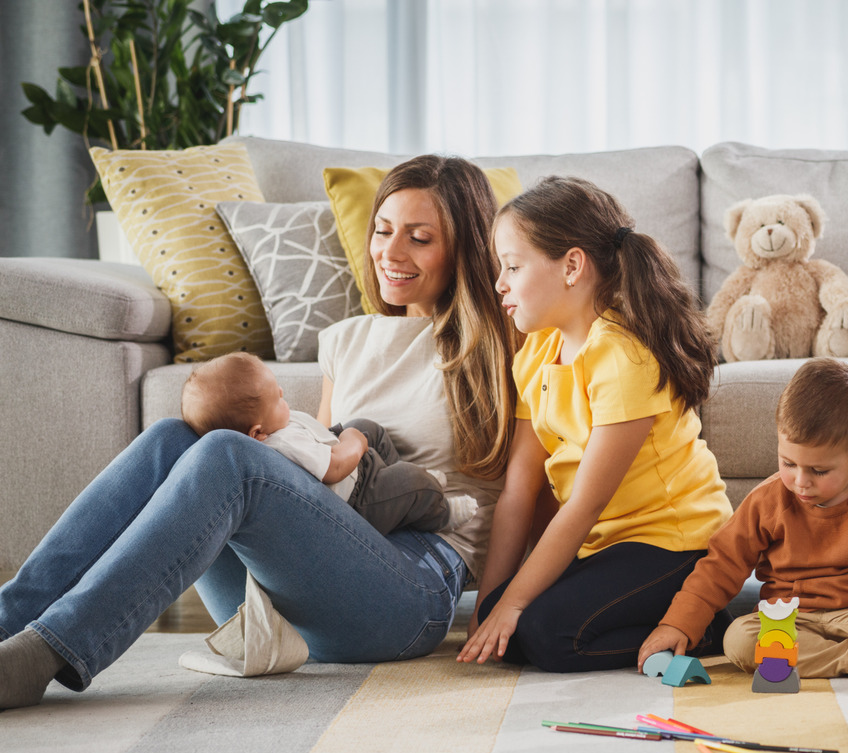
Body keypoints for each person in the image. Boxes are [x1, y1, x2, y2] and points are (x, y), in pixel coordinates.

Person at [0, 154, 517, 710]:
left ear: (464, 248)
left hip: (407, 596)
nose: (391, 253)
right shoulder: (345, 341)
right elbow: (314, 466)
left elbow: (526, 492)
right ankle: (10, 620)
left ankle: (45, 654)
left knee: (229, 453)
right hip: (301, 589)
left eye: (419, 238)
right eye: (383, 231)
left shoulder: (504, 344)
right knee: (175, 437)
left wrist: (501, 606)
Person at [457, 176, 732, 672]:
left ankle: (705, 625)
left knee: (542, 635)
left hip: (675, 543)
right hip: (606, 544)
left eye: (513, 267)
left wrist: (514, 605)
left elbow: (584, 503)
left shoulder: (624, 356)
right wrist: (489, 605)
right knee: (504, 629)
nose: (500, 283)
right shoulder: (538, 350)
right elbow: (520, 489)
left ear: (572, 266)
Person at [637, 357, 848, 697]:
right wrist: (677, 623)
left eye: (819, 471)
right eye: (788, 463)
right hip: (792, 621)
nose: (800, 482)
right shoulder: (767, 502)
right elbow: (720, 566)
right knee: (739, 639)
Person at [180, 351, 477, 536]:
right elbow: (333, 469)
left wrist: (348, 435)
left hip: (342, 460)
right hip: (356, 500)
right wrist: (355, 444)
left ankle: (397, 488)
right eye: (277, 397)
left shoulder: (271, 427)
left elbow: (318, 436)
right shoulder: (279, 446)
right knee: (414, 481)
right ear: (257, 434)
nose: (283, 392)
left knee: (366, 426)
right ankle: (440, 513)